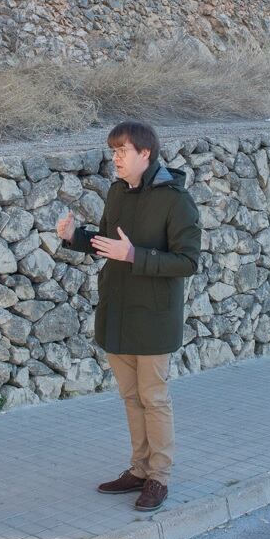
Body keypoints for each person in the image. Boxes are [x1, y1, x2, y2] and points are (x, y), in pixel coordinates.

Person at [57, 121, 202, 511]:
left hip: (153, 318)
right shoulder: (118, 192)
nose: (115, 158)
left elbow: (188, 261)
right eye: (113, 151)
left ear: (145, 154)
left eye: (122, 151)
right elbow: (108, 245)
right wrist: (74, 237)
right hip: (117, 312)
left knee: (154, 398)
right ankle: (138, 469)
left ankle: (159, 477)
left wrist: (135, 255)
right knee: (130, 397)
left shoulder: (176, 200)